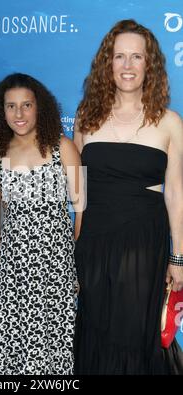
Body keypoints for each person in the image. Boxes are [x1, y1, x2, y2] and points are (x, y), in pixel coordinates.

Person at [74, 19, 183, 375]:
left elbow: (176, 193)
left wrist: (178, 257)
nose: (127, 65)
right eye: (119, 56)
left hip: (143, 241)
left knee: (135, 332)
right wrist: (69, 250)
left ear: (149, 65)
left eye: (137, 56)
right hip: (93, 240)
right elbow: (77, 194)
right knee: (95, 328)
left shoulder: (169, 122)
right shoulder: (85, 118)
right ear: (108, 63)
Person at [0, 73, 83, 375]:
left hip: (56, 264)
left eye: (27, 105)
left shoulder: (63, 147)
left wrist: (75, 261)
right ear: (3, 112)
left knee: (53, 343)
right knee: (9, 342)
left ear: (40, 107)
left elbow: (82, 208)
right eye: (11, 106)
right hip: (14, 265)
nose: (19, 114)